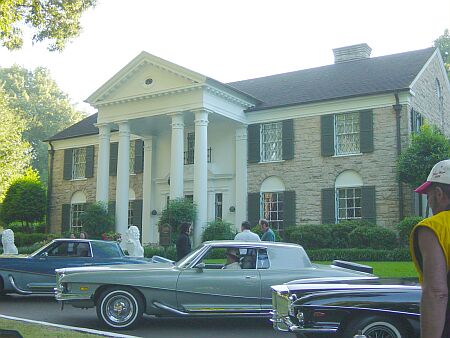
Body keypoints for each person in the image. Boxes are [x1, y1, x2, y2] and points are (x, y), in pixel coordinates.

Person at [410, 159, 450, 338]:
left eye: (429, 197)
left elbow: (436, 292)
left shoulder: (434, 228)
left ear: (439, 194)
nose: (431, 204)